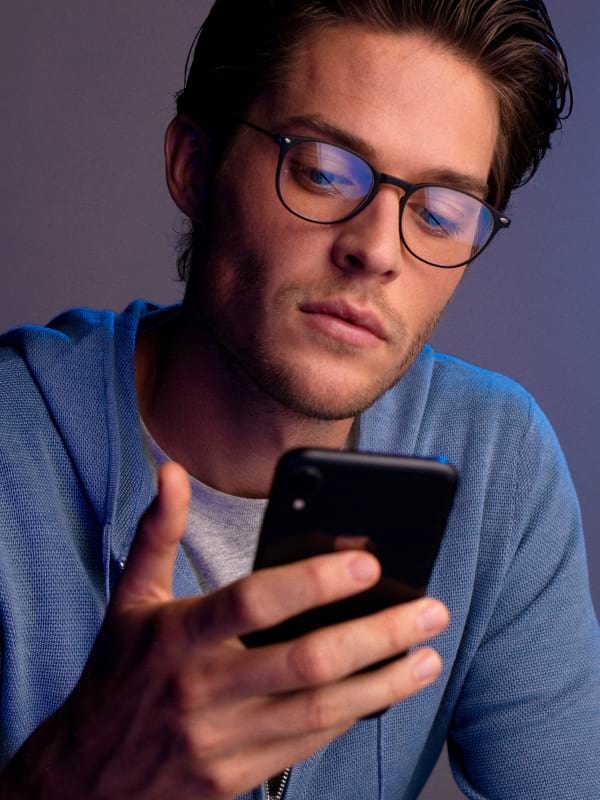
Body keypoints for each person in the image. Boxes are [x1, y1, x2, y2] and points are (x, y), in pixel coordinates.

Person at [0, 0, 598, 798]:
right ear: (194, 165)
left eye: (441, 212)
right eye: (322, 170)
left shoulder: (496, 460)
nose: (376, 250)